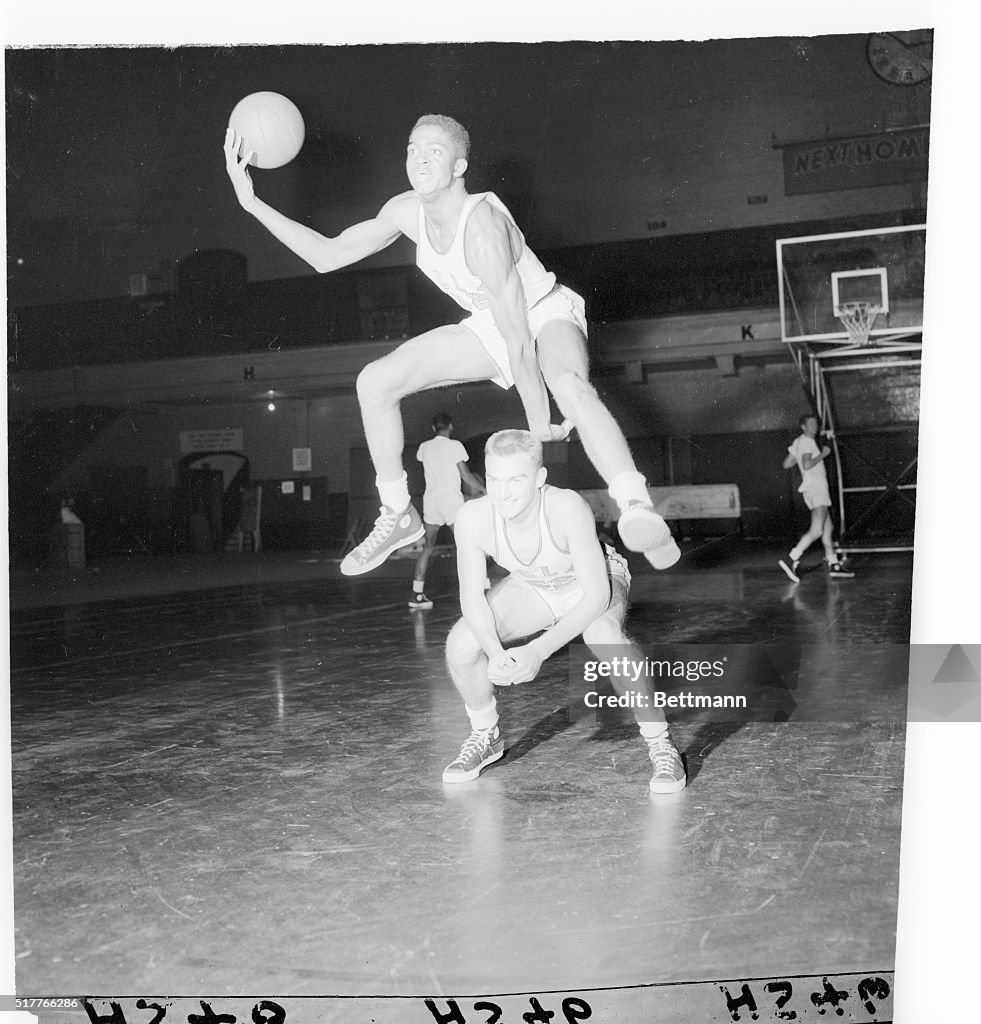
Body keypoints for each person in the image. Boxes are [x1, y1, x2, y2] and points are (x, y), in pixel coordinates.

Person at [223, 113, 680, 578]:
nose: (419, 159)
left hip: (541, 311)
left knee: (570, 385)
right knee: (375, 382)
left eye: (434, 151)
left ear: (459, 167)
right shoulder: (404, 210)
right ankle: (398, 513)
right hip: (490, 324)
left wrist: (538, 416)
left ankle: (635, 505)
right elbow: (327, 255)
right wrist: (252, 203)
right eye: (412, 149)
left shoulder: (482, 228)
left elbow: (521, 338)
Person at [441, 428, 687, 795]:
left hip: (592, 581)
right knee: (462, 643)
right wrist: (495, 654)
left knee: (602, 635)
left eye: (515, 480)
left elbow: (595, 596)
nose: (503, 492)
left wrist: (538, 651)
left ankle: (660, 742)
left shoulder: (566, 506)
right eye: (494, 479)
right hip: (535, 586)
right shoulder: (473, 517)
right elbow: (473, 598)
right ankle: (485, 734)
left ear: (539, 478)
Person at [409, 411, 485, 610]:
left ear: (434, 428)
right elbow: (466, 476)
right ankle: (482, 589)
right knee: (467, 545)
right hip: (450, 500)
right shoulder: (455, 446)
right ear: (450, 427)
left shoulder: (424, 447)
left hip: (431, 500)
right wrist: (484, 490)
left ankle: (417, 595)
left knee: (428, 547)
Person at [779, 413, 855, 582]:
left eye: (816, 423)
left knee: (827, 530)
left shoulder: (798, 442)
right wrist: (823, 454)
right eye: (811, 423)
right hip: (817, 489)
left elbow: (787, 464)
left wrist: (799, 457)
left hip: (813, 489)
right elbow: (806, 465)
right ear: (804, 427)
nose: (815, 426)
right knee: (817, 530)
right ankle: (791, 558)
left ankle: (834, 564)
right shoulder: (807, 441)